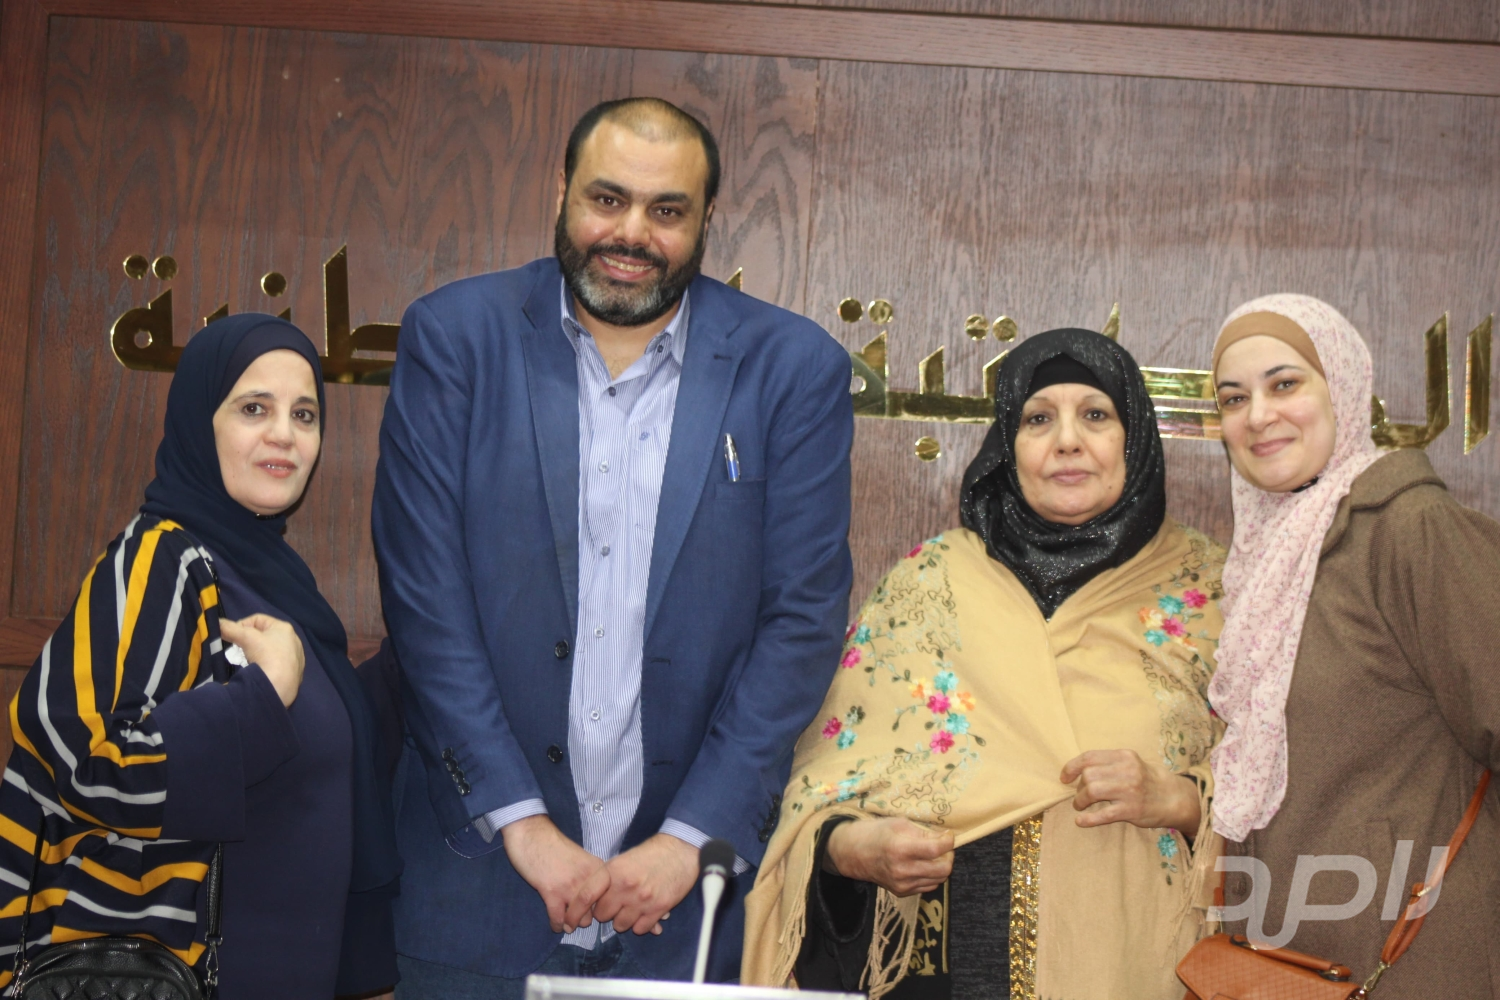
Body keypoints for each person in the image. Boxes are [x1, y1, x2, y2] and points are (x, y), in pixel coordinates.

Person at [372, 96, 853, 995]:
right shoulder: (456, 339)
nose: (632, 233)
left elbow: (801, 621)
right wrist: (520, 821)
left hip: (689, 912)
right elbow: (424, 597)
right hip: (479, 893)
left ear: (707, 220)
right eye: (607, 199)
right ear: (560, 192)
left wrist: (689, 838)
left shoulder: (793, 369)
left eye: (667, 210)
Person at [743, 328, 1227, 1000]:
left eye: (1095, 415)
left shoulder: (1214, 594)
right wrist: (856, 850)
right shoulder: (930, 587)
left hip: (1146, 968)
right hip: (943, 975)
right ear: (1007, 444)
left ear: (1135, 438)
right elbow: (816, 794)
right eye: (1038, 419)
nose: (1066, 441)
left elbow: (1289, 802)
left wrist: (1179, 800)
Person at [0, 314, 401, 998]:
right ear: (199, 421)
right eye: (254, 408)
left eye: (304, 414)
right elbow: (86, 759)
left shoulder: (275, 585)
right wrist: (261, 698)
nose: (285, 434)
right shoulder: (163, 559)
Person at [1207, 294, 1500, 996]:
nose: (1258, 415)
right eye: (1234, 398)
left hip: (1413, 965)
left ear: (1340, 386)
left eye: (1285, 384)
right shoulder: (1266, 563)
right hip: (1287, 965)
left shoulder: (1412, 529)